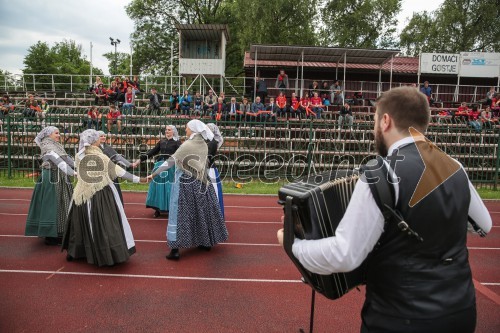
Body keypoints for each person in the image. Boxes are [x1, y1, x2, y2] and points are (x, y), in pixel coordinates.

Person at [277, 86, 492, 333]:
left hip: (399, 317)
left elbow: (345, 254)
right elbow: (483, 225)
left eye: (375, 120)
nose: (374, 128)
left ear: (386, 121)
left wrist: (292, 245)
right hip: (460, 312)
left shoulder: (381, 173)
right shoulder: (456, 167)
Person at [62, 129, 147, 266]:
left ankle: (76, 251)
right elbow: (119, 171)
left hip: (81, 194)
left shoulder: (79, 156)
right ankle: (105, 254)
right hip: (101, 194)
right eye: (97, 138)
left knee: (79, 223)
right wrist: (139, 179)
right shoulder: (101, 157)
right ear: (94, 141)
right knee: (104, 223)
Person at [147, 119, 228, 260]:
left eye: (187, 128)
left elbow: (171, 161)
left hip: (185, 183)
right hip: (201, 183)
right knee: (201, 212)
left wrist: (154, 173)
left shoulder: (188, 145)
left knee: (179, 215)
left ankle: (175, 249)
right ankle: (205, 242)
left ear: (193, 129)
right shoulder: (203, 144)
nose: (185, 130)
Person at [25, 126, 75, 245]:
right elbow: (57, 160)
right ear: (48, 135)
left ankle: (61, 231)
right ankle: (52, 234)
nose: (59, 135)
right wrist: (73, 171)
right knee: (54, 204)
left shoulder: (55, 144)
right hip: (52, 177)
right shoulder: (47, 145)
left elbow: (66, 159)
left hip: (60, 176)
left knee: (64, 202)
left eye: (59, 133)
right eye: (56, 133)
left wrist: (79, 166)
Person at [133, 125, 181, 217]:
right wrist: (139, 160)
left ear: (173, 131)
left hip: (171, 167)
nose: (167, 131)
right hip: (159, 165)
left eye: (169, 130)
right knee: (157, 187)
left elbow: (180, 155)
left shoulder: (177, 143)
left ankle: (171, 209)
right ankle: (157, 209)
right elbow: (152, 152)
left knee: (169, 187)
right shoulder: (162, 141)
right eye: (166, 130)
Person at [97, 130, 135, 203]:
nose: (103, 137)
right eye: (101, 136)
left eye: (104, 136)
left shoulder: (108, 148)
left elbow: (117, 157)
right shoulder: (94, 147)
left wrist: (129, 164)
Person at [206, 123, 225, 218]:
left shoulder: (212, 142)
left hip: (210, 170)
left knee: (213, 192)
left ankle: (214, 215)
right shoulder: (208, 141)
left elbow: (208, 157)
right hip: (208, 169)